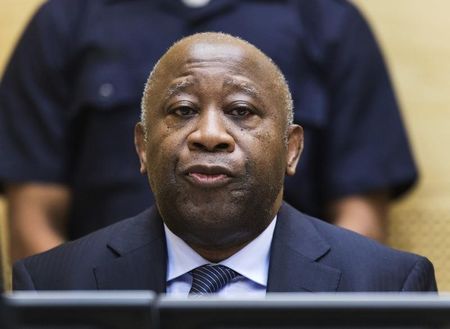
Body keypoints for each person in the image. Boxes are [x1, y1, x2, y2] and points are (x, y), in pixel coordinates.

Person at [13, 33, 436, 293]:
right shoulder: (51, 285)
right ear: (142, 146)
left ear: (292, 149)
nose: (209, 134)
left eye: (241, 111)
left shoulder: (389, 285)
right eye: (181, 110)